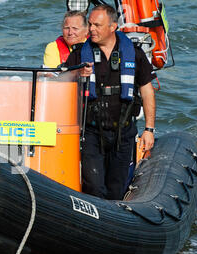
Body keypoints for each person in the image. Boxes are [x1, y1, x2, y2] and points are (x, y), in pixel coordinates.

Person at [64, 4, 156, 200]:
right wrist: (76, 74)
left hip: (123, 132)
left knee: (116, 190)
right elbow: (60, 84)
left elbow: (147, 90)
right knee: (94, 188)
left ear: (113, 27)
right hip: (91, 132)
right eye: (90, 25)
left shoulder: (134, 53)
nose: (91, 29)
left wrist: (149, 129)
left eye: (97, 25)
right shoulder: (79, 54)